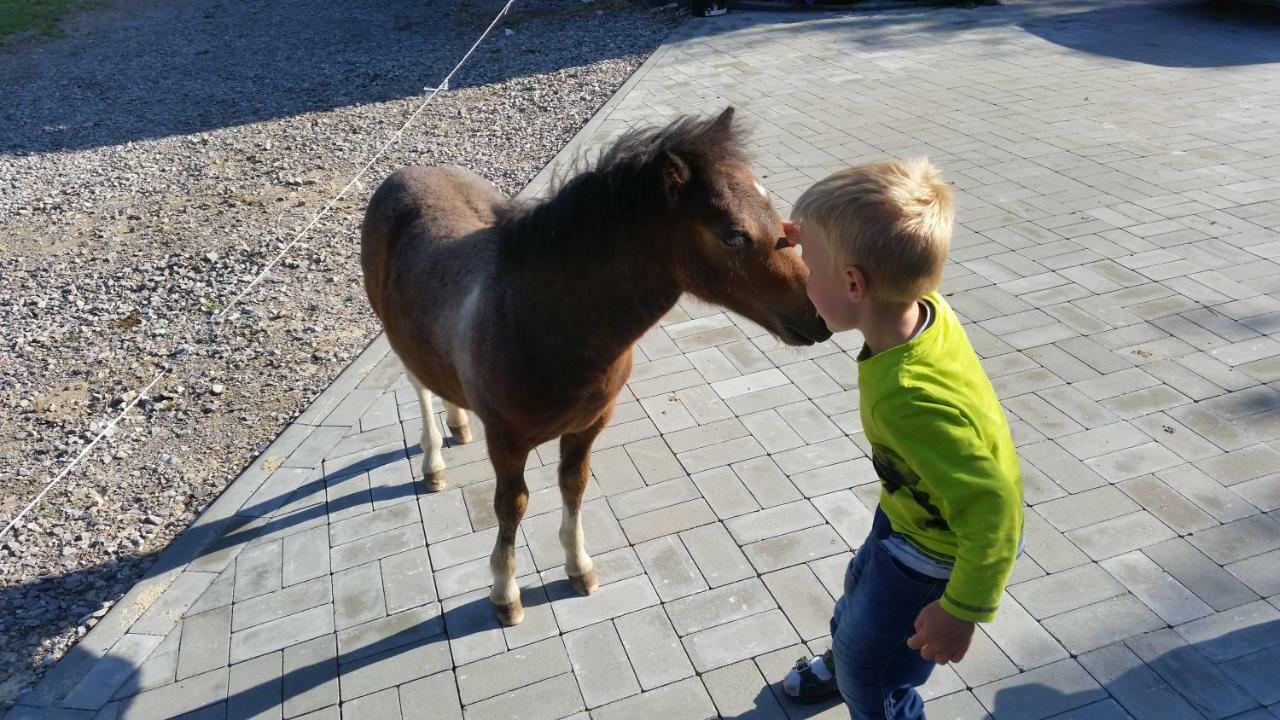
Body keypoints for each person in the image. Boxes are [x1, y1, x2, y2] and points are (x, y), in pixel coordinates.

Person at [779, 159, 1024, 719]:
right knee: (857, 595)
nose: (801, 277)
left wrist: (961, 610)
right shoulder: (924, 308)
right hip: (908, 517)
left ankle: (863, 680)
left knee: (879, 673)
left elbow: (998, 511)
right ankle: (848, 659)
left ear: (852, 283)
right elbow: (878, 251)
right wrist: (813, 237)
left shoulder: (913, 398)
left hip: (936, 558)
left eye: (808, 265)